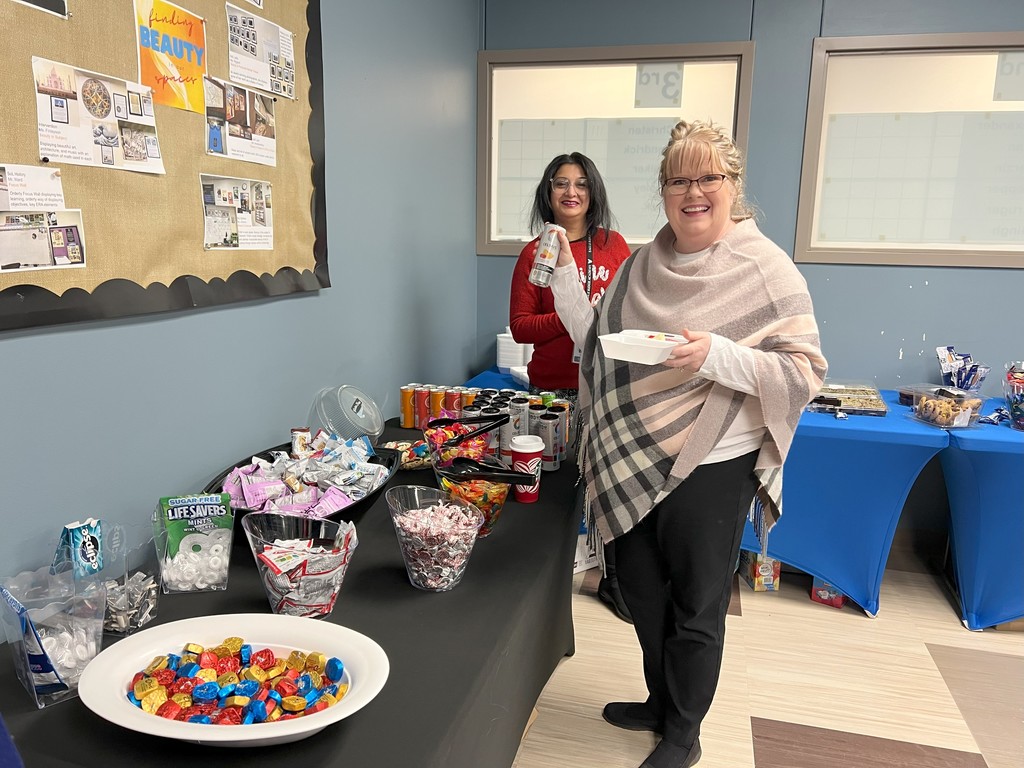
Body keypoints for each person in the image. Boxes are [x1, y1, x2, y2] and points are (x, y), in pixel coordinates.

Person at [547, 120, 827, 768]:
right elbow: (600, 343)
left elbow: (806, 371)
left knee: (697, 604)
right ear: (664, 190)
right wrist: (565, 277)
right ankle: (659, 700)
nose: (693, 191)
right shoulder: (645, 261)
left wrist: (719, 356)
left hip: (715, 462)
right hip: (636, 458)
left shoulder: (765, 268)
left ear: (731, 186)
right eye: (679, 179)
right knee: (641, 593)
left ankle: (685, 733)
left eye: (708, 178)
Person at [508, 152, 633, 622]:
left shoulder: (614, 246)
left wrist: (598, 320)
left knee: (610, 487)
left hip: (604, 389)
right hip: (553, 394)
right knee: (553, 489)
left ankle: (616, 582)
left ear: (593, 191)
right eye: (561, 183)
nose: (571, 192)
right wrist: (574, 313)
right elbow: (521, 326)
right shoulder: (533, 254)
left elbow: (628, 314)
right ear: (548, 192)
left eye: (580, 183)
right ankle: (536, 582)